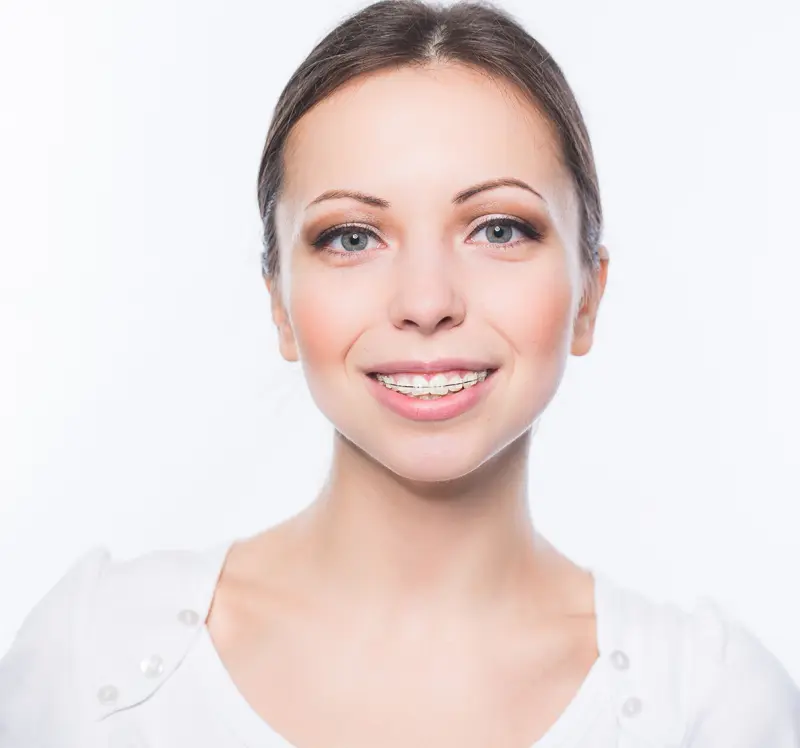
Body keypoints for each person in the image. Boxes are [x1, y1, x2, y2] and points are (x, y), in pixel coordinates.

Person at [2, 1, 799, 746]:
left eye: (497, 228)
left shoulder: (711, 707)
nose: (426, 302)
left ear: (589, 295)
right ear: (279, 303)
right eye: (351, 237)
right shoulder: (93, 660)